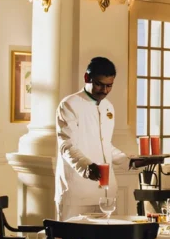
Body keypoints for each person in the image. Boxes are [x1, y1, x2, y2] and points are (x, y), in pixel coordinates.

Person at [55, 57, 129, 220]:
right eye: (99, 84)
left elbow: (104, 145)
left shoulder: (108, 107)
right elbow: (66, 145)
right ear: (87, 78)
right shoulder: (69, 104)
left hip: (106, 193)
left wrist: (127, 162)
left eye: (109, 86)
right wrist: (87, 167)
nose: (104, 90)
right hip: (77, 193)